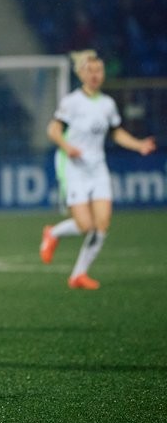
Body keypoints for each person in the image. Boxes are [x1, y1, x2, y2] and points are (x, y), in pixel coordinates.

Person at [39, 50, 156, 289]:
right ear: (81, 74)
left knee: (102, 224)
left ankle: (78, 275)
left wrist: (139, 145)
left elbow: (116, 132)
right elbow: (53, 130)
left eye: (99, 70)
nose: (95, 75)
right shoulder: (72, 102)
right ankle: (52, 233)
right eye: (90, 70)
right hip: (74, 168)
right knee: (85, 226)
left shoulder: (107, 104)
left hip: (97, 168)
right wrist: (67, 146)